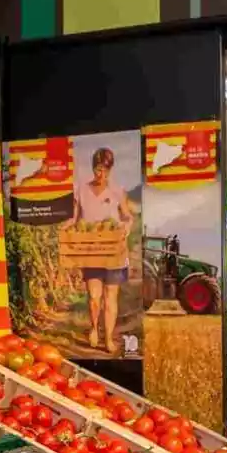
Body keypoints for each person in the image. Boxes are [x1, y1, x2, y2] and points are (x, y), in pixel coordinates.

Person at [70, 147, 134, 355]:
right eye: (98, 170)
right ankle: (93, 327)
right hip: (92, 251)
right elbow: (74, 217)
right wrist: (67, 229)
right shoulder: (81, 190)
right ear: (93, 168)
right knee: (94, 297)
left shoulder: (117, 191)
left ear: (110, 170)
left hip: (113, 250)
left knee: (110, 297)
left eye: (106, 171)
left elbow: (127, 216)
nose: (102, 175)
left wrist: (127, 227)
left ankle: (108, 338)